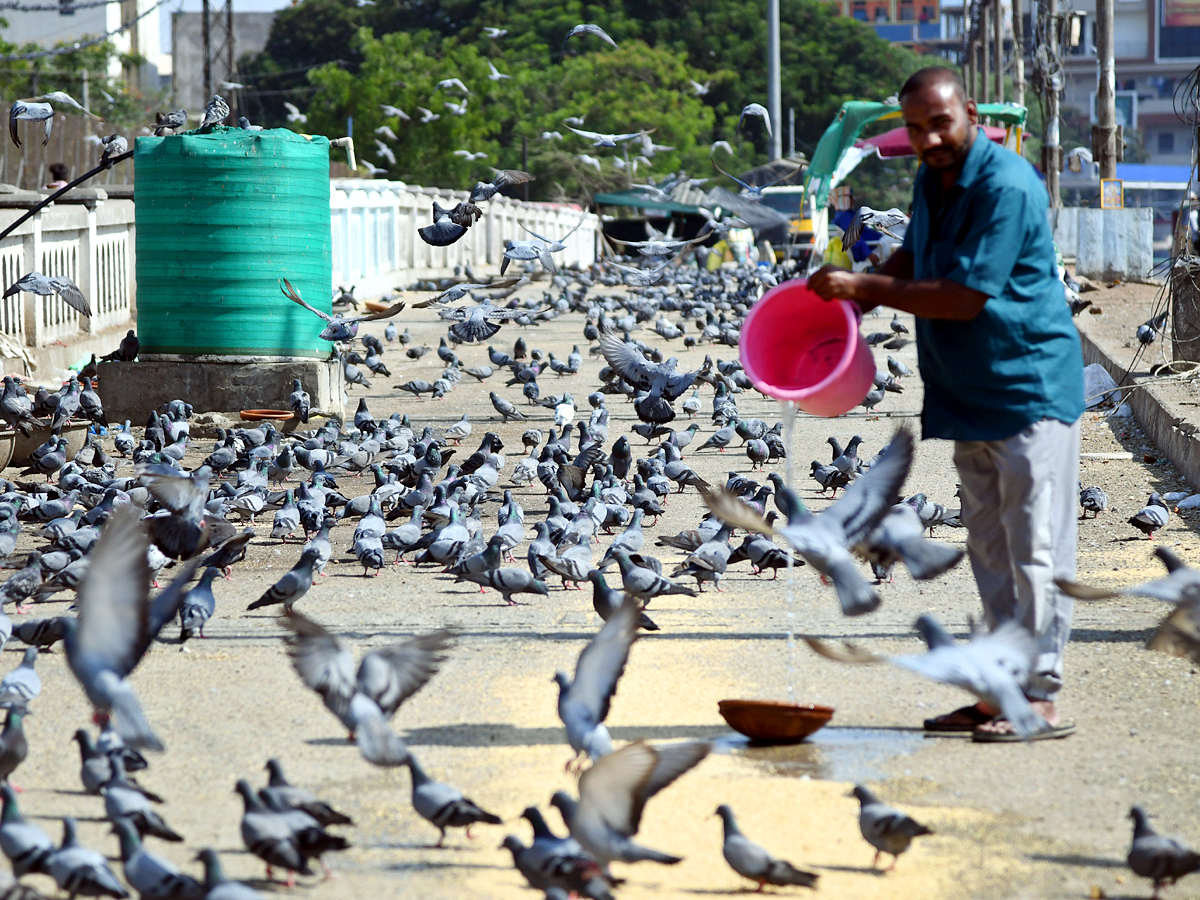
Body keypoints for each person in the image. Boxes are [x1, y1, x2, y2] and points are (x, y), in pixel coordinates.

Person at [809, 67, 1083, 741]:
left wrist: (863, 283)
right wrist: (859, 294)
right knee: (990, 548)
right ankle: (998, 691)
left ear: (967, 113)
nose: (930, 137)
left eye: (941, 122)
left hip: (1028, 391)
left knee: (1035, 550)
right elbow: (917, 255)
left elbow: (964, 295)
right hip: (968, 394)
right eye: (917, 127)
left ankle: (1040, 697)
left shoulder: (1007, 184)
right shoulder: (932, 178)